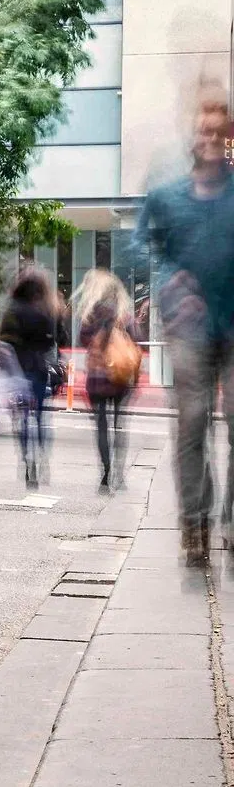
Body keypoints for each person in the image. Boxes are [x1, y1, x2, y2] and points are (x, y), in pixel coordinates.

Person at [137, 91, 234, 565]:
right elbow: (140, 245)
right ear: (193, 137)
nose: (211, 138)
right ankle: (194, 524)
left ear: (228, 135)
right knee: (193, 422)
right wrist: (169, 278)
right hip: (190, 327)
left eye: (219, 130)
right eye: (204, 130)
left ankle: (230, 520)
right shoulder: (167, 197)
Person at [75, 269, 139, 495]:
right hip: (121, 377)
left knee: (101, 426)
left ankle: (106, 472)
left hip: (97, 378)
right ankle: (120, 474)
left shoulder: (91, 313)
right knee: (119, 426)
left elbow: (82, 340)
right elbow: (136, 340)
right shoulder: (124, 314)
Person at [1, 266, 59, 490]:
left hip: (18, 370)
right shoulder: (46, 310)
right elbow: (52, 341)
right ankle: (43, 455)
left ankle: (27, 462)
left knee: (23, 418)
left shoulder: (12, 310)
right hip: (39, 369)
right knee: (41, 417)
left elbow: (5, 342)